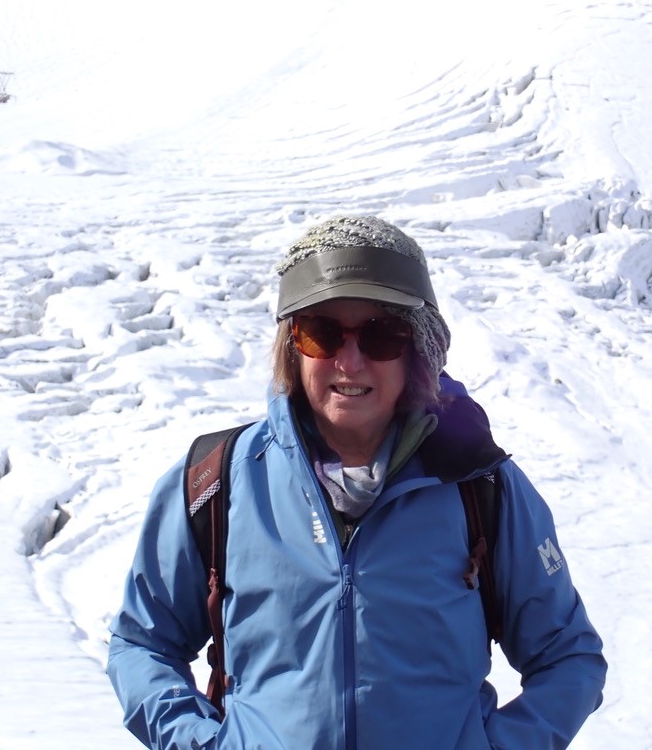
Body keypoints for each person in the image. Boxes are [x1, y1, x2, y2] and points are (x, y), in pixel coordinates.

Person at [107, 215, 607, 749]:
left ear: (418, 349)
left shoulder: (481, 484)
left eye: (381, 336)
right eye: (321, 333)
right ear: (291, 347)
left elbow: (567, 656)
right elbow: (142, 644)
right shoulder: (217, 480)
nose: (350, 361)